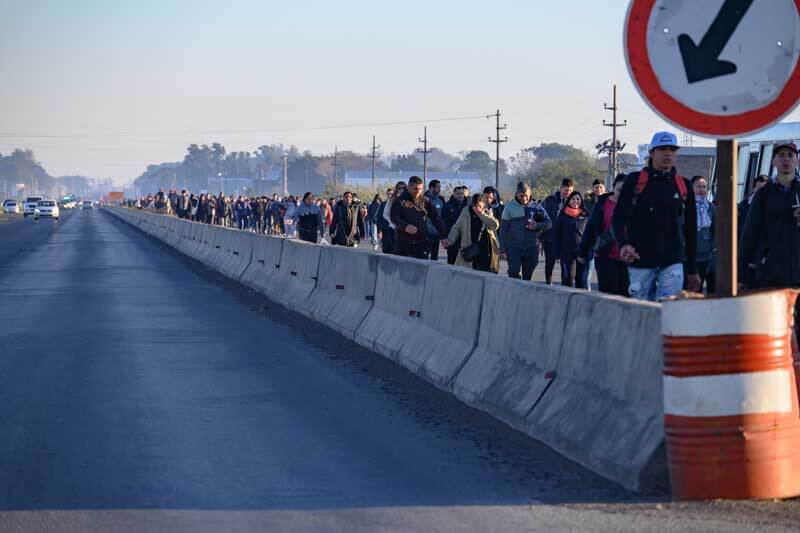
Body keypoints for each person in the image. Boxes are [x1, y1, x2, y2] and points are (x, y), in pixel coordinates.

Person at [612, 131, 699, 301]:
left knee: (669, 314)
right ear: (652, 153)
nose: (668, 153)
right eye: (662, 149)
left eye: (672, 150)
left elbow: (690, 230)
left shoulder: (683, 185)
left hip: (672, 262)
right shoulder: (635, 181)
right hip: (640, 261)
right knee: (640, 313)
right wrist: (623, 244)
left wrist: (693, 270)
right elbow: (618, 218)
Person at [740, 141, 800, 289]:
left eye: (790, 155)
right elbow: (750, 233)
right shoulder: (763, 194)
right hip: (771, 273)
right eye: (781, 155)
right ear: (773, 161)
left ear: (797, 161)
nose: (786, 159)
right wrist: (740, 274)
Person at [578, 174, 628, 296]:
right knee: (609, 293)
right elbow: (590, 228)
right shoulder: (602, 204)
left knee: (625, 295)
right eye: (619, 190)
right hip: (605, 254)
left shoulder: (634, 204)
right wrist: (582, 251)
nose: (622, 194)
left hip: (627, 257)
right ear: (613, 188)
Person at [498, 181, 552, 280]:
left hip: (531, 247)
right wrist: (502, 248)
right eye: (521, 196)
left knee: (528, 275)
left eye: (526, 196)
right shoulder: (509, 207)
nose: (524, 198)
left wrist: (537, 225)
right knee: (513, 272)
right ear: (516, 194)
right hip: (514, 246)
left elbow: (549, 223)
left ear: (530, 193)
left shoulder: (537, 206)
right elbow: (503, 229)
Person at [390, 176, 447, 259]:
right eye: (415, 189)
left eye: (420, 189)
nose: (418, 192)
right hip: (403, 242)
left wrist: (443, 236)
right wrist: (405, 226)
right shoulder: (399, 200)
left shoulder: (426, 201)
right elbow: (394, 217)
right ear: (409, 187)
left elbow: (436, 218)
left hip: (421, 242)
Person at [446, 193, 500, 273]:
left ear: (483, 205)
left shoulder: (487, 213)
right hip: (471, 249)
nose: (477, 208)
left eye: (480, 206)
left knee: (484, 272)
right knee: (469, 273)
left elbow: (495, 225)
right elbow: (457, 227)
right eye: (475, 206)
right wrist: (450, 240)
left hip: (486, 251)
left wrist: (481, 215)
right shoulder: (466, 213)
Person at [553, 191, 589, 288]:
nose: (575, 201)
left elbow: (590, 234)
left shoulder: (586, 215)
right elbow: (557, 235)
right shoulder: (562, 215)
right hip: (567, 252)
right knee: (568, 277)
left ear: (581, 201)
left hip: (582, 252)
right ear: (569, 201)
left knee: (581, 280)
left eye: (578, 199)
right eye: (573, 199)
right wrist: (557, 253)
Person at [541, 179, 574, 284]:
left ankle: (565, 287)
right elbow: (541, 217)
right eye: (565, 191)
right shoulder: (550, 200)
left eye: (569, 191)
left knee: (565, 266)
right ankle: (548, 284)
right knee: (549, 263)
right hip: (550, 238)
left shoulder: (574, 201)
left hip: (566, 240)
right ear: (560, 189)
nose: (567, 193)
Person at [691, 176, 715, 293]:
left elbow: (716, 230)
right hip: (686, 255)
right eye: (698, 186)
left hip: (704, 255)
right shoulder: (685, 206)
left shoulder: (711, 208)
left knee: (698, 287)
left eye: (704, 187)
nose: (702, 189)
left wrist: (712, 246)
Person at [443, 186, 468, 265]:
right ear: (454, 194)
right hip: (452, 238)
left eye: (462, 193)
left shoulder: (468, 206)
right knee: (451, 260)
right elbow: (444, 222)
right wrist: (445, 236)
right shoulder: (448, 206)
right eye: (458, 193)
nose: (460, 195)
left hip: (465, 238)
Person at [380, 182, 406, 254]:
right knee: (395, 250)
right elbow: (385, 214)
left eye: (404, 188)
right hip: (394, 228)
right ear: (396, 189)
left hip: (406, 229)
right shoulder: (392, 199)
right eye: (399, 188)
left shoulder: (409, 199)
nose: (401, 190)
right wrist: (393, 222)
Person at [425, 180, 445, 261]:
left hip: (436, 233)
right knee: (424, 256)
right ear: (431, 188)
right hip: (425, 233)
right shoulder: (423, 199)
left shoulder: (441, 200)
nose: (440, 189)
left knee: (434, 258)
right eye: (438, 187)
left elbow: (442, 217)